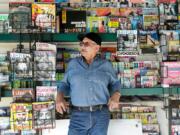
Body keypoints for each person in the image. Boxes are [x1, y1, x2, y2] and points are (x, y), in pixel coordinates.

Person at [56, 32, 121, 135]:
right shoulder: (73, 64)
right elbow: (64, 84)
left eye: (87, 44)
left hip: (101, 116)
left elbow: (115, 83)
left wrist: (116, 95)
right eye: (81, 44)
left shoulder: (106, 65)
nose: (83, 46)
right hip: (78, 116)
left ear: (97, 48)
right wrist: (59, 97)